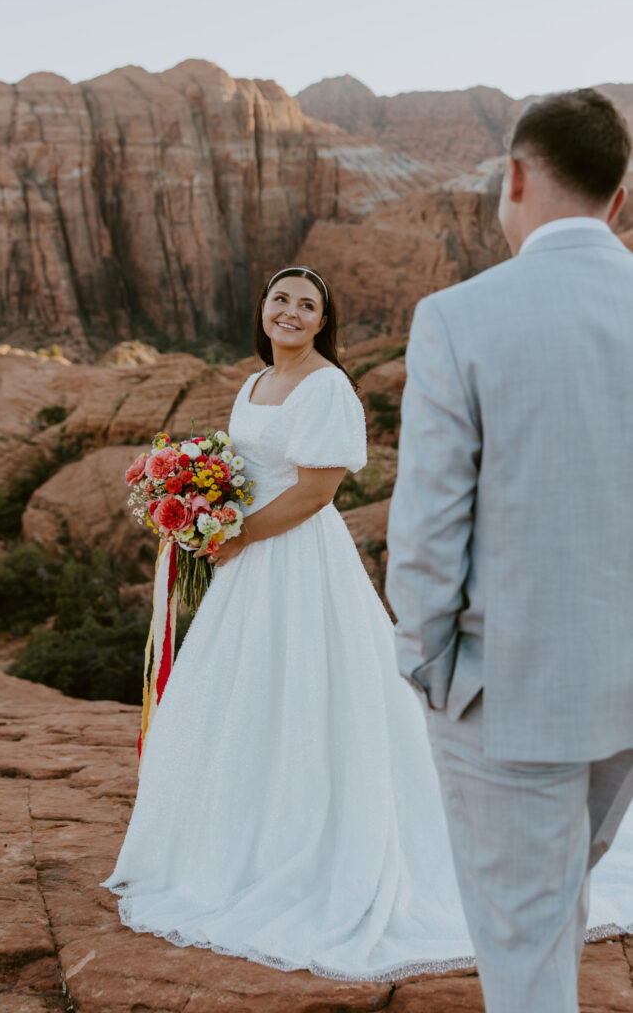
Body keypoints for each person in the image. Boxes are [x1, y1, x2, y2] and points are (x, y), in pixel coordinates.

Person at [101, 262, 632, 982]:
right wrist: (202, 516)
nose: (289, 311)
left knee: (315, 691)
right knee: (244, 695)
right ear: (263, 308)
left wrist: (235, 534)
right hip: (246, 566)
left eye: (306, 305)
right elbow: (240, 469)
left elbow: (317, 491)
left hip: (292, 560)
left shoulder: (328, 387)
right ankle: (233, 844)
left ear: (324, 322)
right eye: (280, 298)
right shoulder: (254, 384)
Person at [386, 88, 633, 1012]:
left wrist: (427, 665)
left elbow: (427, 525)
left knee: (521, 939)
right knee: (557, 898)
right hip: (624, 684)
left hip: (506, 691)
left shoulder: (459, 316)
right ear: (618, 196)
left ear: (516, 177)